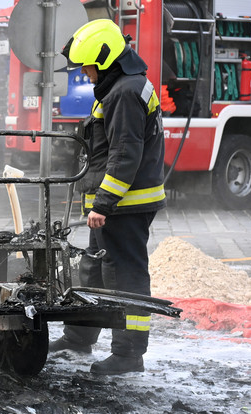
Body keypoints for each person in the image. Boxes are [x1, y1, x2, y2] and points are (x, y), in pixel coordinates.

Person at [50, 19, 166, 375]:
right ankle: (79, 336)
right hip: (116, 203)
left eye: (87, 67)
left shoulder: (125, 93)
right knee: (95, 271)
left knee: (126, 277)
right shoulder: (121, 87)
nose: (84, 74)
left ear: (105, 60)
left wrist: (103, 203)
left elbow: (124, 154)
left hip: (124, 206)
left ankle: (129, 355)